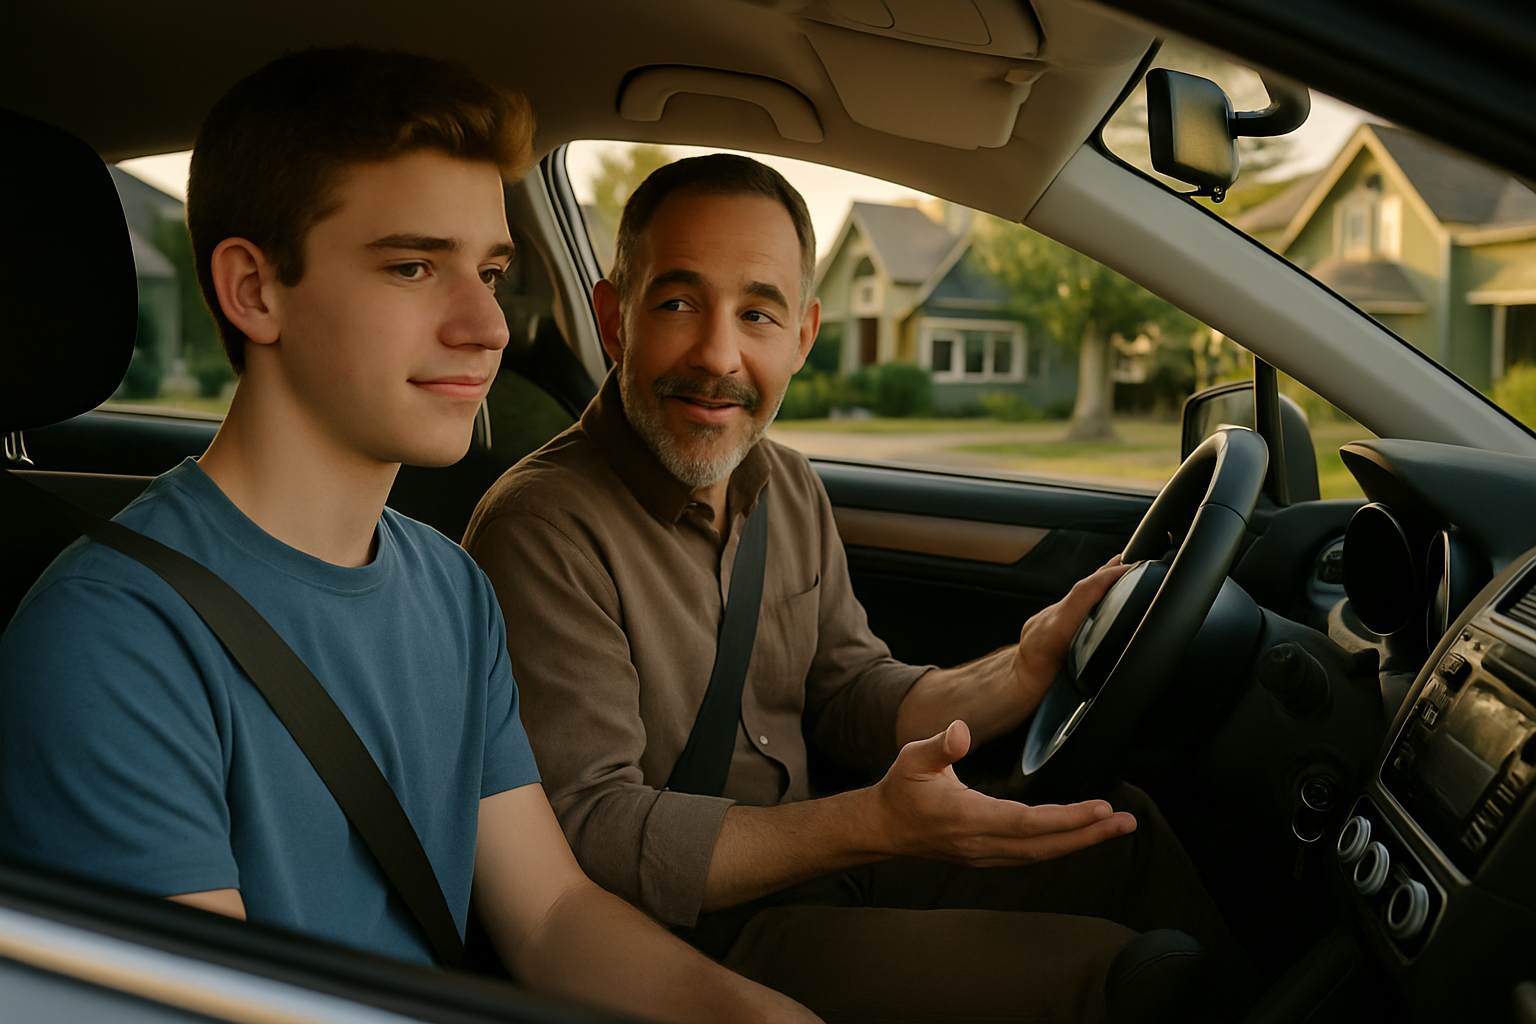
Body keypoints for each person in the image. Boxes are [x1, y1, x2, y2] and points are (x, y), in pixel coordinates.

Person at [0, 50, 819, 1024]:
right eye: (414, 266)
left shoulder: (450, 587)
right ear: (255, 290)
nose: (487, 326)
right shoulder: (110, 643)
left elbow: (552, 916)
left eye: (492, 272)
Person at [463, 154, 1242, 1023]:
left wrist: (1016, 671)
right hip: (683, 940)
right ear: (615, 319)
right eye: (678, 303)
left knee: (1124, 833)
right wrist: (871, 824)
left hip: (826, 866)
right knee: (1109, 977)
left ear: (802, 335)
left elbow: (848, 689)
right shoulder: (541, 530)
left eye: (758, 313)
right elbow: (592, 836)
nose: (718, 353)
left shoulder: (787, 486)